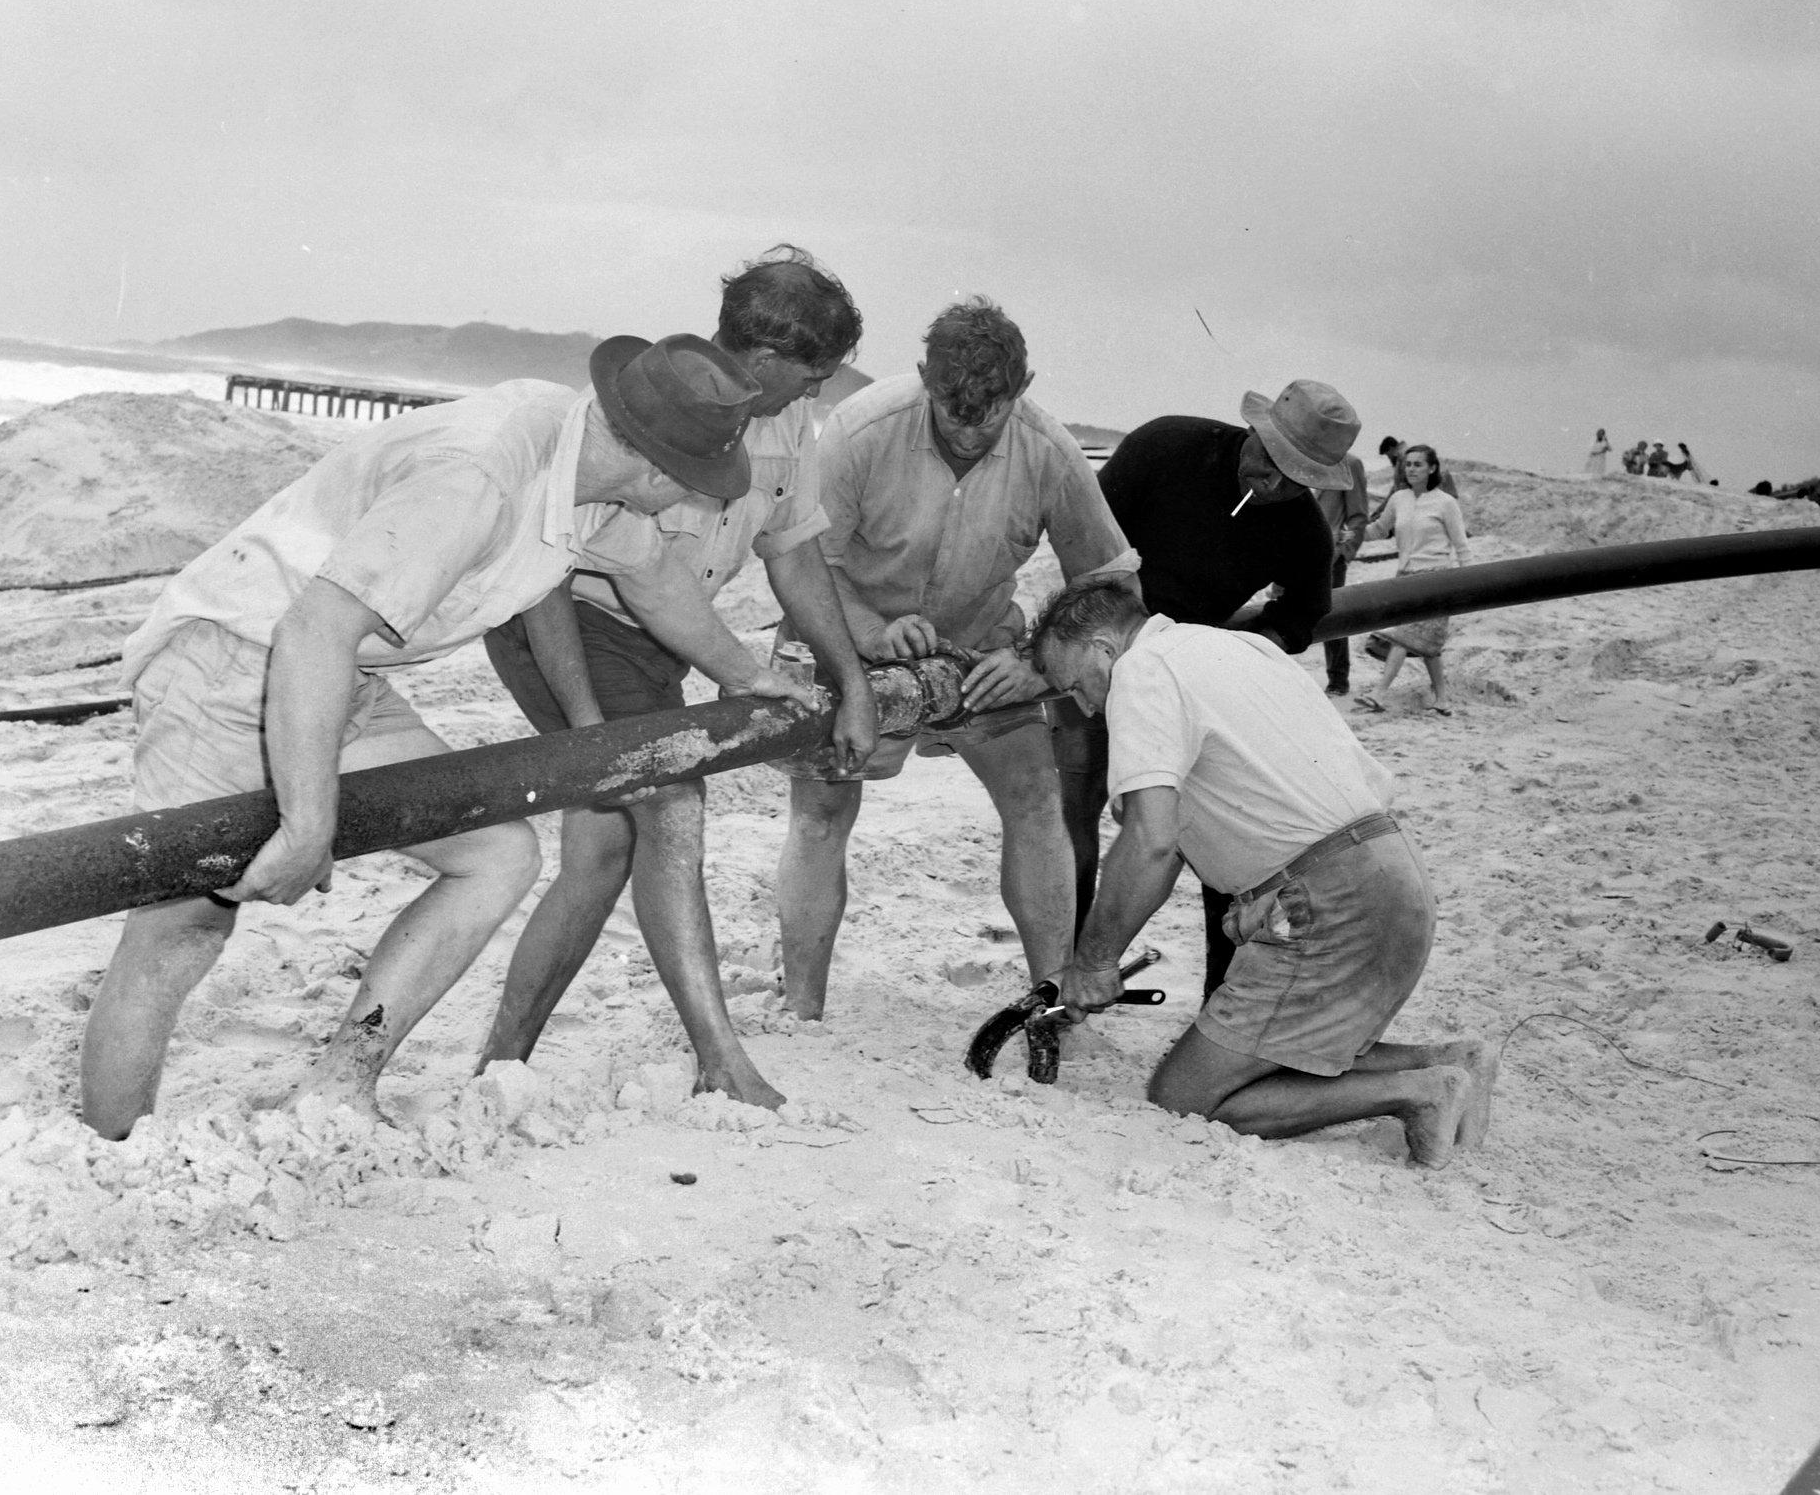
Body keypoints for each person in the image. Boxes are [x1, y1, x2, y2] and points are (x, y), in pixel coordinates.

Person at [82, 329, 815, 1140]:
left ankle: (339, 1083)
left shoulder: (586, 462)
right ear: (655, 471)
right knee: (183, 924)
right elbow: (314, 628)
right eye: (695, 487)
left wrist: (747, 675)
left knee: (497, 854)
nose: (691, 506)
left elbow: (653, 580)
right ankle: (112, 1147)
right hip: (232, 656)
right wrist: (307, 825)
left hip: (340, 678)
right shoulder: (480, 477)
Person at [475, 249, 876, 1110]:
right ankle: (719, 1059)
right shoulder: (650, 406)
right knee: (669, 807)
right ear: (764, 361)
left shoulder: (787, 428)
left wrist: (852, 677)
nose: (815, 395)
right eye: (811, 377)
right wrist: (595, 716)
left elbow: (795, 552)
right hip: (568, 622)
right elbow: (563, 573)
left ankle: (502, 1062)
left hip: (660, 636)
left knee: (603, 846)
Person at [1031, 580, 1493, 1168]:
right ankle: (1450, 1059)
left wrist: (1093, 962)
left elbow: (1150, 841)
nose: (1087, 708)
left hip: (1329, 902)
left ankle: (1421, 1093)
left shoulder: (1142, 672)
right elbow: (1173, 846)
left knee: (1184, 1096)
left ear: (1103, 647)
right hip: (1390, 874)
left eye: (1076, 687)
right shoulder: (1238, 648)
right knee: (1266, 1049)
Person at [780, 297, 1137, 1026]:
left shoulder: (1051, 450)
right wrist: (870, 636)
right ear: (922, 378)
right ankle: (801, 1006)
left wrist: (1038, 664)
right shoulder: (858, 430)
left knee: (1039, 800)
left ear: (1024, 385)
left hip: (981, 650)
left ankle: (1050, 1005)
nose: (971, 431)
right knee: (820, 810)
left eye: (992, 413)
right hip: (845, 634)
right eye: (952, 410)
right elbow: (798, 557)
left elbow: (1111, 585)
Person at [1053, 383, 1352, 1004]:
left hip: (1186, 678)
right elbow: (1085, 537)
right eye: (1267, 463)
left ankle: (1223, 995)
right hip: (1103, 649)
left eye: (1296, 480)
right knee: (1070, 816)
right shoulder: (1165, 447)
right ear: (1253, 431)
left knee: (1212, 834)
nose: (1272, 485)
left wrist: (1240, 656)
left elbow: (1305, 613)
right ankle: (1065, 970)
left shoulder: (1303, 531)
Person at [1357, 443, 1469, 716]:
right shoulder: (1399, 499)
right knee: (1426, 644)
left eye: (1418, 464)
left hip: (1437, 578)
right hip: (1405, 576)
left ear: (1432, 468)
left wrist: (1469, 584)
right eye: (1408, 464)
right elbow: (1379, 530)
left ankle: (1379, 693)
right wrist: (1352, 532)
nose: (1411, 469)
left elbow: (1461, 545)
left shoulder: (1446, 503)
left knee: (1403, 636)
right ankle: (1442, 699)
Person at [1317, 449, 1369, 697]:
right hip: (1298, 551)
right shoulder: (1296, 458)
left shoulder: (1350, 464)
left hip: (1331, 557)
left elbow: (1358, 515)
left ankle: (1338, 679)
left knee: (1333, 615)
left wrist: (1343, 552)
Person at [1379, 433, 1460, 499]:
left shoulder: (1404, 458)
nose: (1389, 458)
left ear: (1391, 449)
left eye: (1387, 455)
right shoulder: (1405, 456)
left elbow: (1406, 489)